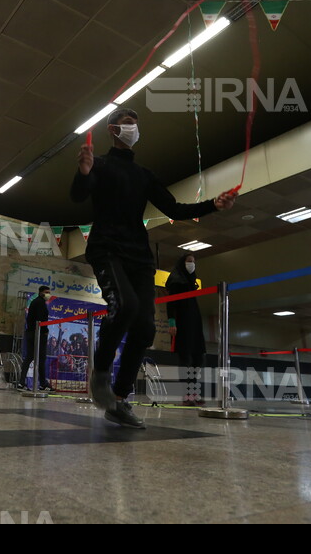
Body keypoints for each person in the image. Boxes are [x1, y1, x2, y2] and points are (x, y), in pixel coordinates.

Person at [71, 108, 236, 428]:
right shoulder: (100, 165)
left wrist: (212, 205)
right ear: (112, 129)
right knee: (125, 306)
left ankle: (119, 399)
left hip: (140, 257)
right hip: (106, 249)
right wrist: (84, 171)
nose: (134, 129)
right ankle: (101, 374)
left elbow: (174, 207)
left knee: (145, 327)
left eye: (136, 124)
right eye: (127, 124)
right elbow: (78, 195)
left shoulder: (144, 175)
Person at [166, 254, 206, 406]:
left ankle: (194, 393)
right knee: (186, 360)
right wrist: (171, 322)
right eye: (189, 261)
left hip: (195, 322)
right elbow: (170, 303)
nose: (192, 264)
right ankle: (187, 395)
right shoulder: (176, 279)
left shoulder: (191, 281)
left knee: (198, 358)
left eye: (194, 262)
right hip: (182, 323)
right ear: (182, 263)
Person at [18, 285, 53, 391]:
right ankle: (43, 383)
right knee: (41, 358)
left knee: (29, 357)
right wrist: (45, 331)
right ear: (41, 292)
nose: (48, 294)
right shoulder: (40, 303)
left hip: (30, 333)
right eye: (46, 292)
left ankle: (21, 382)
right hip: (38, 334)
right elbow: (40, 320)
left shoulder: (35, 302)